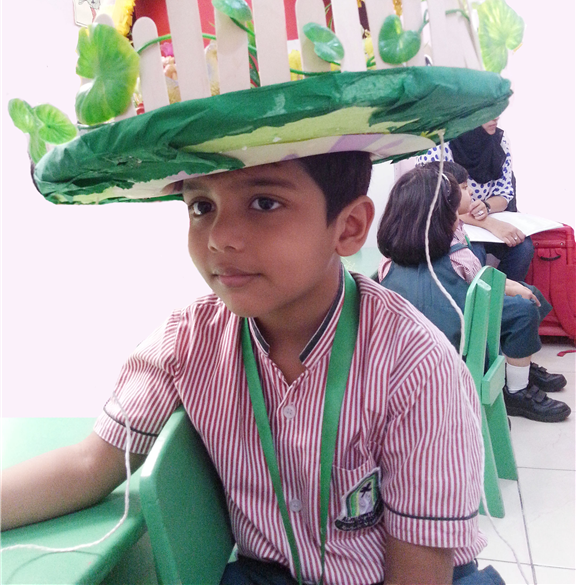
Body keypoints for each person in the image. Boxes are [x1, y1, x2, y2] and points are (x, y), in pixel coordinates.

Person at [2, 152, 502, 585]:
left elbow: (418, 573)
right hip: (267, 573)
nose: (220, 237)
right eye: (201, 206)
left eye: (264, 203)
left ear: (348, 227)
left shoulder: (417, 366)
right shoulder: (186, 341)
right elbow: (90, 465)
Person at [377, 163, 570, 424]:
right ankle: (516, 389)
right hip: (462, 333)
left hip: (423, 343)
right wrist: (513, 288)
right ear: (446, 214)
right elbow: (482, 285)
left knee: (527, 295)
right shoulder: (458, 255)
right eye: (464, 189)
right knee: (525, 307)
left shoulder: (388, 260)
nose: (469, 195)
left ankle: (519, 359)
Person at [416, 119, 534, 282]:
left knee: (523, 247)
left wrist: (486, 206)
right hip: (451, 224)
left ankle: (503, 294)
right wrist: (490, 224)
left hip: (484, 220)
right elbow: (436, 204)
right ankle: (476, 297)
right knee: (473, 251)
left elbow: (505, 193)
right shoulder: (439, 145)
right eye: (487, 113)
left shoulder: (499, 142)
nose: (495, 118)